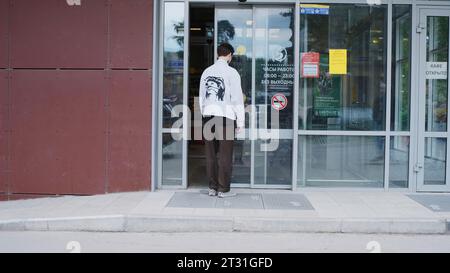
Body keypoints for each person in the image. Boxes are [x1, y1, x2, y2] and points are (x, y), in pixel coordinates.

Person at [199, 43, 245, 198]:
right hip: (225, 117)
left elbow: (201, 97)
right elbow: (237, 99)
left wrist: (204, 114)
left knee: (210, 155)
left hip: (208, 117)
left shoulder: (206, 72)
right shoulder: (232, 73)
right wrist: (240, 123)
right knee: (225, 156)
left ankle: (212, 188)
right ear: (230, 55)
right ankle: (223, 190)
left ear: (218, 54)